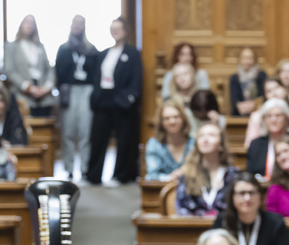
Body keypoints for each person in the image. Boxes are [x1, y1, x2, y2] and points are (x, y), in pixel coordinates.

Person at [87, 16, 142, 184]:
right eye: (112, 28)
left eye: (118, 28)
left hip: (122, 101)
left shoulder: (132, 53)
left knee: (124, 139)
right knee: (97, 137)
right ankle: (94, 174)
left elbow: (136, 79)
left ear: (125, 31)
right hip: (103, 99)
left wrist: (129, 99)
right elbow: (96, 77)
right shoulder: (103, 53)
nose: (115, 31)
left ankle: (122, 174)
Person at [218, 175, 289, 245]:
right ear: (232, 197)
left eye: (252, 193)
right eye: (241, 193)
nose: (247, 198)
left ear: (260, 197)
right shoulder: (222, 221)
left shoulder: (275, 223)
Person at [55, 15, 97, 180]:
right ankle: (69, 168)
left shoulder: (92, 50)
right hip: (68, 93)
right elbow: (58, 72)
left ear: (84, 27)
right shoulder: (63, 49)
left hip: (86, 91)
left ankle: (85, 168)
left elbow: (95, 74)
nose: (77, 26)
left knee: (86, 132)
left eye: (81, 23)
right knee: (68, 132)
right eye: (75, 23)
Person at [175, 123, 237, 218]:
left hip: (225, 229)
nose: (205, 139)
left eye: (211, 135)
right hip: (192, 229)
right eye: (201, 136)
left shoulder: (233, 175)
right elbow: (181, 209)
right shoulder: (187, 175)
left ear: (221, 144)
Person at [4, 14, 55, 115]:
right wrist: (28, 87)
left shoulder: (40, 47)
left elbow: (49, 69)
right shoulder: (11, 47)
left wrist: (47, 86)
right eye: (27, 22)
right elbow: (9, 70)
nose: (29, 25)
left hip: (42, 96)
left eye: (32, 23)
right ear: (21, 25)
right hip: (22, 95)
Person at [244, 79, 289, 148]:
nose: (274, 93)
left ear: (285, 89)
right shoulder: (257, 116)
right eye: (269, 91)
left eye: (277, 88)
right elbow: (250, 146)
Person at [246, 99, 289, 178]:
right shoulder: (255, 144)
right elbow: (250, 174)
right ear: (263, 120)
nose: (273, 120)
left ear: (287, 118)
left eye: (278, 115)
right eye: (269, 116)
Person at [145, 99, 193, 180]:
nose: (172, 121)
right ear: (161, 121)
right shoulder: (154, 144)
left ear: (183, 118)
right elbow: (151, 176)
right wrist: (170, 177)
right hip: (161, 190)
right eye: (167, 118)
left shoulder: (193, 143)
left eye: (176, 117)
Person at [228, 47, 266, 116]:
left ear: (255, 60)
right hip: (239, 115)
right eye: (245, 58)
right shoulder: (234, 78)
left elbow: (263, 97)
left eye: (250, 58)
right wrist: (242, 106)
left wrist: (254, 105)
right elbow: (234, 101)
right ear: (240, 60)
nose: (247, 61)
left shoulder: (261, 75)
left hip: (258, 113)